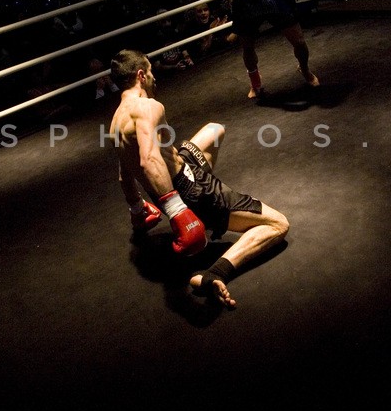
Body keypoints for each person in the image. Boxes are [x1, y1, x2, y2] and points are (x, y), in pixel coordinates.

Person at [108, 49, 289, 307]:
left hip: (179, 171)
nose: (153, 77)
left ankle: (207, 212)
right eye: (150, 72)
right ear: (140, 75)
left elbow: (124, 172)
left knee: (214, 130)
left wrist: (137, 209)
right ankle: (213, 273)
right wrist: (178, 210)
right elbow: (148, 159)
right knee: (278, 225)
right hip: (189, 189)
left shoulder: (116, 120)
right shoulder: (148, 106)